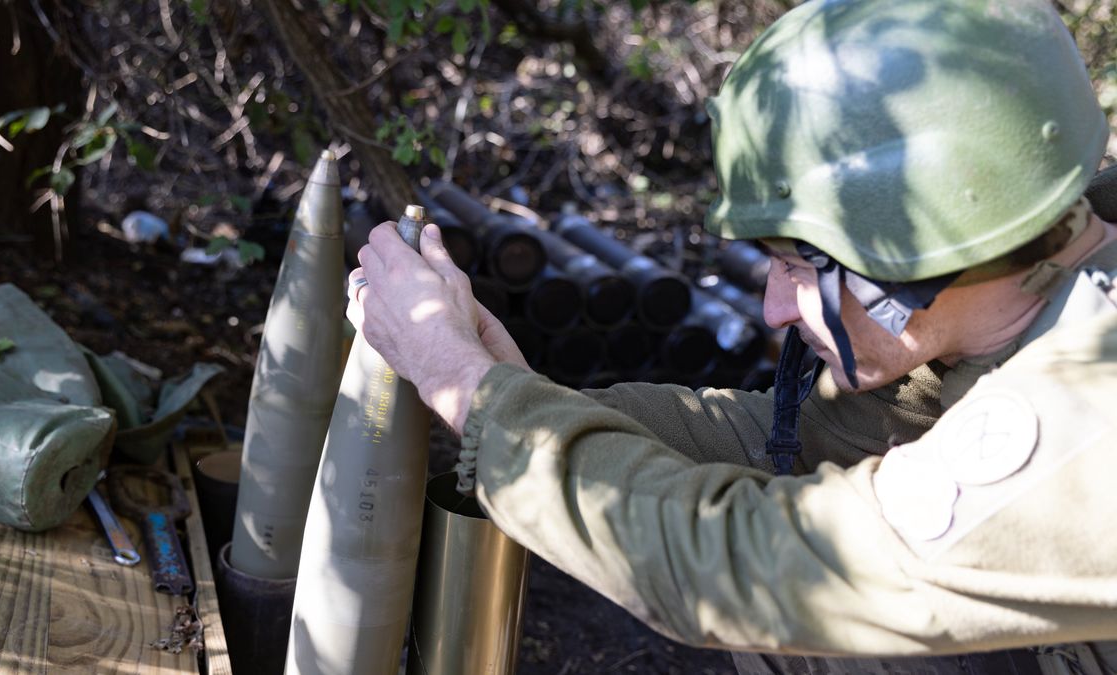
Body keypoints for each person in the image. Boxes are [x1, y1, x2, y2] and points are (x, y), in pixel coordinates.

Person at [347, 0, 1117, 672]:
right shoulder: (1025, 298)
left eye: (798, 266)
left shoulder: (1088, 420)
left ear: (913, 257)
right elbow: (797, 445)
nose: (776, 311)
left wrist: (461, 381)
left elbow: (756, 568)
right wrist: (514, 391)